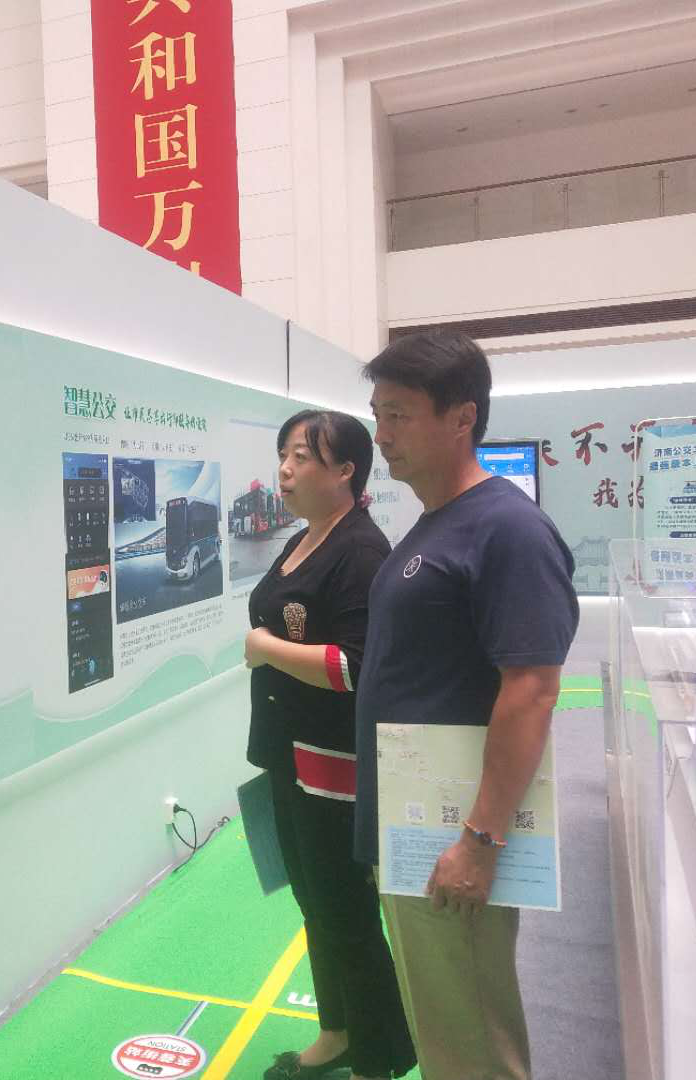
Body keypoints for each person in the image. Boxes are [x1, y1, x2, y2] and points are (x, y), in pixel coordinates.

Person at [356, 330, 578, 1080]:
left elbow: (533, 689)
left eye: (399, 415)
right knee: (444, 1030)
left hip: (454, 835)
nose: (382, 435)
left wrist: (479, 841)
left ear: (462, 418)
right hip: (413, 822)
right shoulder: (435, 522)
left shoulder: (507, 529)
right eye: (378, 415)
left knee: (471, 1035)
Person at [247, 409, 415, 1080]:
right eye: (284, 454)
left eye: (302, 457)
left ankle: (379, 1058)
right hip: (288, 752)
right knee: (315, 905)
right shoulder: (306, 537)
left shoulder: (361, 551)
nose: (285, 469)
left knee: (345, 914)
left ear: (346, 471)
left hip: (333, 766)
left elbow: (355, 665)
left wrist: (266, 648)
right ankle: (338, 1033)